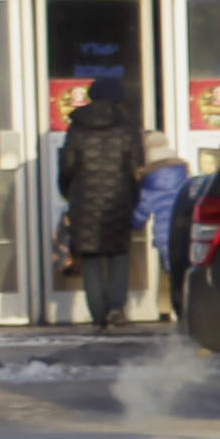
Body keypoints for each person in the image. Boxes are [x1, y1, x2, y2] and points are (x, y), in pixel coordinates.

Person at [55, 68, 149, 329]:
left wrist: (69, 192)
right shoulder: (128, 128)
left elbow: (67, 165)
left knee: (92, 259)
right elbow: (136, 167)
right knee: (118, 255)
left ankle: (98, 315)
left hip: (84, 203)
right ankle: (116, 309)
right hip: (118, 201)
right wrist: (133, 196)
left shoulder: (77, 127)